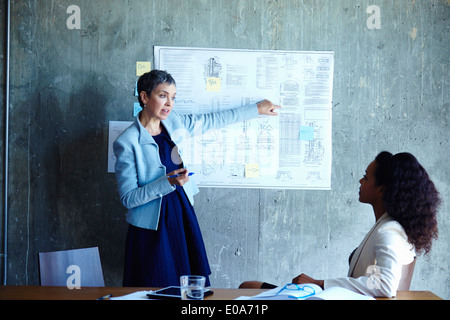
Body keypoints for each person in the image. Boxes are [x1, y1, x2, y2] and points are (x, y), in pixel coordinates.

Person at [114, 69, 281, 287]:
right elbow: (129, 198)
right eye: (163, 95)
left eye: (173, 98)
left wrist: (256, 109)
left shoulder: (174, 122)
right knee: (155, 284)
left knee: (189, 284)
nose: (169, 104)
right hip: (151, 227)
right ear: (145, 97)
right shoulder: (127, 141)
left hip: (182, 212)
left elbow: (212, 120)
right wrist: (167, 182)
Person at [240, 151, 440, 297]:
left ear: (381, 189)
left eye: (366, 177)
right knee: (250, 286)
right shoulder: (387, 226)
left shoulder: (389, 231)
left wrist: (320, 283)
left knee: (248, 286)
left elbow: (386, 285)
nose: (360, 181)